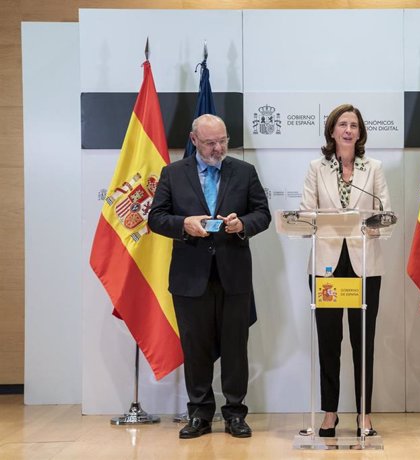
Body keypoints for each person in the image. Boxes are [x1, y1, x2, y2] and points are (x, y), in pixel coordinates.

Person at [149, 114, 271, 439]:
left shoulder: (244, 172)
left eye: (222, 141)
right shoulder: (173, 174)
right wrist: (184, 224)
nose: (217, 148)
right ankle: (200, 414)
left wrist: (242, 224)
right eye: (209, 143)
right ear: (194, 140)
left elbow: (263, 214)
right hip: (191, 278)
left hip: (234, 276)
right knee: (196, 348)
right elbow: (156, 218)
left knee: (235, 349)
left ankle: (235, 414)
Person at [300, 104, 391, 437]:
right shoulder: (316, 168)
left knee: (362, 341)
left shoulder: (374, 168)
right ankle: (330, 412)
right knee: (329, 340)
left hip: (363, 264)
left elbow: (386, 212)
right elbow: (307, 212)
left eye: (354, 125)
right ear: (332, 131)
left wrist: (371, 224)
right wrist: (330, 220)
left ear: (360, 131)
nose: (348, 130)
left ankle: (364, 415)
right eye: (342, 124)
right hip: (326, 265)